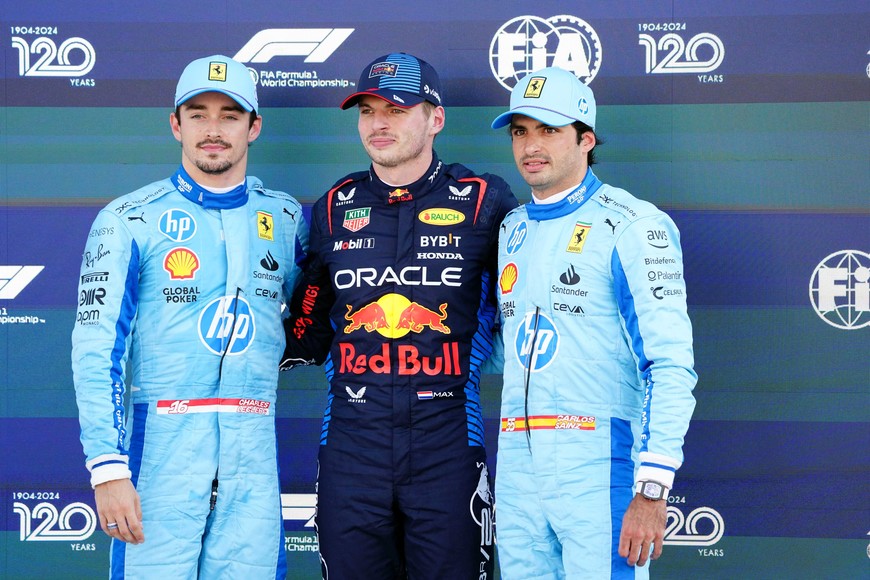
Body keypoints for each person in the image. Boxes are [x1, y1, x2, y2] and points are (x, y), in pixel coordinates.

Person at [281, 52, 518, 579]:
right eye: (367, 110)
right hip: (350, 446)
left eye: (397, 107)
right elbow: (307, 325)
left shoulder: (485, 202)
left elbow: (528, 305)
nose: (378, 123)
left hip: (448, 442)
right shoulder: (330, 208)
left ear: (436, 118)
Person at [71, 54, 308, 578]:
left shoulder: (285, 217)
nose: (213, 129)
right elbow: (96, 349)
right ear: (175, 123)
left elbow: (309, 324)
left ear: (254, 127)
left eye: (229, 115)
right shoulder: (129, 219)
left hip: (253, 445)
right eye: (198, 114)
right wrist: (107, 468)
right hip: (161, 450)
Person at [490, 66, 697, 578]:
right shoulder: (511, 228)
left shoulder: (633, 225)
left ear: (586, 139)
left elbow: (669, 364)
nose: (530, 146)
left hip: (599, 457)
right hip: (517, 457)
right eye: (520, 131)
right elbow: (506, 346)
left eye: (548, 131)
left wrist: (653, 487)